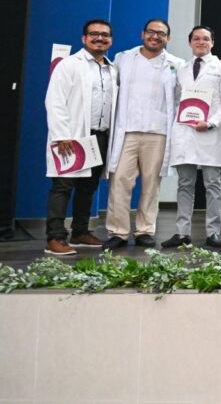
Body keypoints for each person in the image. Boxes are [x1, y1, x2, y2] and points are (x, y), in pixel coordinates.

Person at [103, 19, 184, 250]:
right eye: (151, 32)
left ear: (168, 38)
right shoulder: (123, 58)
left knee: (151, 184)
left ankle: (145, 231)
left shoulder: (176, 64)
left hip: (158, 133)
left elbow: (185, 92)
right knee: (119, 182)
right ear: (142, 34)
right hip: (126, 131)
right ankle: (117, 232)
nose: (155, 36)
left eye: (161, 33)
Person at [43, 19, 118, 256]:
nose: (100, 38)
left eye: (105, 35)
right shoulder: (69, 65)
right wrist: (62, 135)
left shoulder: (111, 68)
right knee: (63, 186)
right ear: (83, 38)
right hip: (72, 137)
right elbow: (54, 101)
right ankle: (55, 237)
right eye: (94, 34)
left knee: (89, 186)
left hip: (99, 137)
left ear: (110, 40)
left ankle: (80, 231)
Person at [162, 26, 221, 249]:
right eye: (196, 38)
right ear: (189, 42)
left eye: (205, 39)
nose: (201, 42)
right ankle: (182, 232)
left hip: (209, 133)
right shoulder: (181, 70)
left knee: (212, 185)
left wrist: (211, 122)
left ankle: (213, 232)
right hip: (185, 133)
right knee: (185, 184)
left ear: (212, 42)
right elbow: (176, 100)